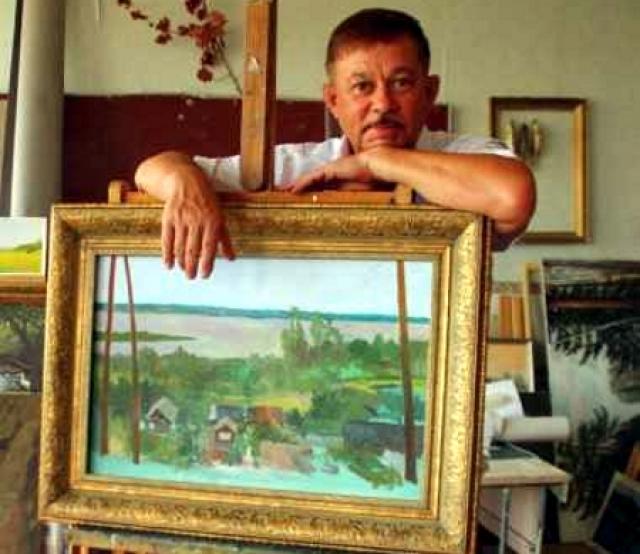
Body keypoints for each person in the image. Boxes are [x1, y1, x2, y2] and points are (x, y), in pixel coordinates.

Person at [135, 8, 535, 280]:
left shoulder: (461, 157)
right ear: (333, 100)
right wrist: (186, 183)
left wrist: (377, 162)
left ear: (429, 92)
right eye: (362, 87)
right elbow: (151, 170)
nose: (383, 103)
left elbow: (513, 195)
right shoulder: (292, 168)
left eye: (401, 83)